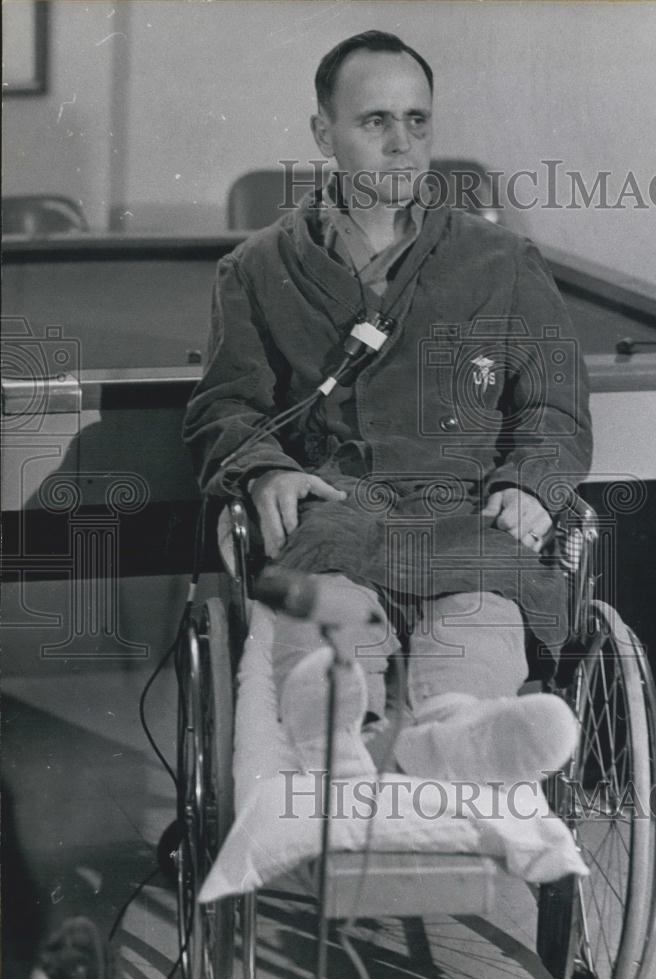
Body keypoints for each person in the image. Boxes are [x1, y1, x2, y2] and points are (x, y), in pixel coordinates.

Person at [183, 31, 592, 800]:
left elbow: (556, 407)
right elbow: (225, 407)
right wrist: (265, 467)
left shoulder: (501, 263)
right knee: (328, 653)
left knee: (474, 633)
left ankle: (449, 735)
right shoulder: (258, 269)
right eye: (375, 122)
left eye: (418, 121)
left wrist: (534, 486)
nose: (402, 145)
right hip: (334, 516)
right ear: (322, 134)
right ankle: (353, 741)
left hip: (467, 518)